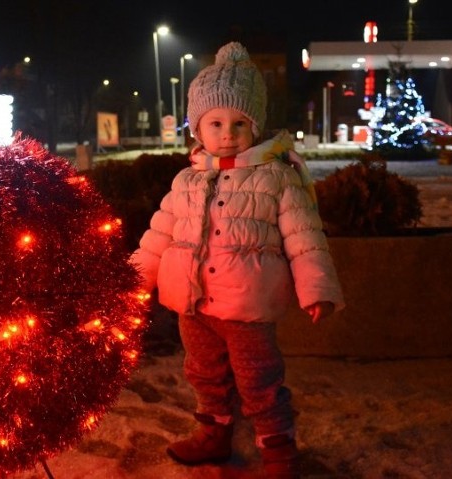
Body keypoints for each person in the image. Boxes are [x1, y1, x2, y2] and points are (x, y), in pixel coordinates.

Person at [131, 42, 345, 478]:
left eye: (238, 122)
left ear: (255, 126)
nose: (227, 132)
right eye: (215, 122)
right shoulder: (185, 180)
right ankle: (215, 433)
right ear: (197, 128)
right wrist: (137, 278)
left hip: (246, 308)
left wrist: (317, 289)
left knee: (259, 380)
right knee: (203, 373)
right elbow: (160, 233)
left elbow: (304, 238)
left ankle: (278, 448)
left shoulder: (276, 178)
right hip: (193, 304)